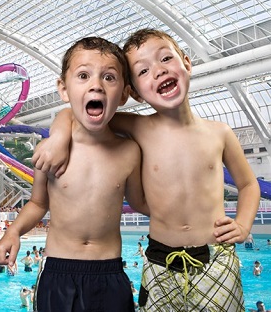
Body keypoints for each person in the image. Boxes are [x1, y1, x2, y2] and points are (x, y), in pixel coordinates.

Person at [32, 29, 261, 311]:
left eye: (166, 58)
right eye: (143, 71)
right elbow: (75, 110)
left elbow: (249, 185)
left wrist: (243, 224)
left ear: (186, 63)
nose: (158, 71)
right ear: (135, 94)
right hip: (159, 261)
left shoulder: (220, 133)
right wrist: (58, 137)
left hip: (215, 256)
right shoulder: (138, 127)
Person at [0, 37, 146, 312]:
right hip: (58, 271)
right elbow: (38, 203)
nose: (96, 84)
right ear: (64, 89)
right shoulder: (49, 151)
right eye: (83, 75)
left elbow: (140, 203)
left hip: (109, 271)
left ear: (123, 94)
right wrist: (13, 231)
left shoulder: (129, 152)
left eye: (109, 77)